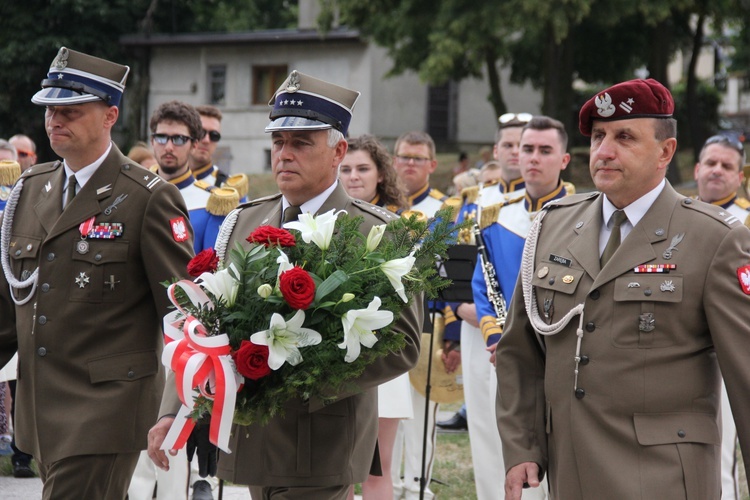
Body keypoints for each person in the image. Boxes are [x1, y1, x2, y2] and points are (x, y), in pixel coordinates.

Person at [147, 70, 423, 500]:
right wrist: (172, 411)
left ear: (338, 151)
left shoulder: (376, 231)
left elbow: (402, 343)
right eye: (278, 142)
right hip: (254, 437)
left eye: (301, 143)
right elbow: (202, 327)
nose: (284, 154)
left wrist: (298, 382)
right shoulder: (243, 221)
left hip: (323, 441)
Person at [496, 78, 750, 500]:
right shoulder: (552, 225)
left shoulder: (715, 239)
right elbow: (519, 350)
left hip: (665, 475)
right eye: (598, 137)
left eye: (624, 137)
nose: (604, 151)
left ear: (665, 152)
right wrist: (522, 446)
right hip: (571, 468)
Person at [0, 46, 195, 499]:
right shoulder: (33, 188)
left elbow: (185, 317)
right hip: (41, 410)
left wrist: (173, 408)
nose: (55, 120)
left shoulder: (148, 198)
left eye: (70, 110)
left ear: (110, 116)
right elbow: (13, 301)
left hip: (106, 411)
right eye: (50, 110)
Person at [471, 115, 573, 499]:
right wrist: (497, 335)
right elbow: (483, 283)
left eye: (545, 150)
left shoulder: (585, 213)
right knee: (494, 438)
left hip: (558, 350)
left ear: (564, 159)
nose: (532, 157)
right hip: (504, 347)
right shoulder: (494, 215)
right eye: (526, 148)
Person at [440, 112, 533, 497]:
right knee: (481, 424)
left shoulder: (559, 200)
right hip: (477, 326)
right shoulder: (474, 202)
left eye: (523, 145)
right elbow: (451, 266)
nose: (516, 152)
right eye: (508, 145)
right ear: (496, 151)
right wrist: (456, 317)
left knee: (526, 430)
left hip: (526, 331)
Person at [340, 134, 411, 499]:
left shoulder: (398, 226)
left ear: (380, 174)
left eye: (363, 168)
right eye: (346, 169)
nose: (353, 176)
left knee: (376, 464)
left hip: (384, 353)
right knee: (338, 466)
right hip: (336, 354)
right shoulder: (326, 221)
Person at [390, 130, 457, 500]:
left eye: (418, 158)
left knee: (421, 414)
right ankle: (387, 482)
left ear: (432, 164)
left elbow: (451, 276)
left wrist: (453, 333)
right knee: (387, 414)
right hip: (385, 323)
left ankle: (417, 487)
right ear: (393, 160)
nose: (410, 164)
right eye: (404, 156)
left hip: (428, 321)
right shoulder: (382, 204)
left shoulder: (446, 209)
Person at [693, 133, 748, 500]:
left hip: (730, 353)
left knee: (720, 458)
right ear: (696, 169)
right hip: (678, 352)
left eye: (726, 166)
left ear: (740, 176)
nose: (717, 171)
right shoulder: (674, 214)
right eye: (710, 163)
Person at [150, 100, 239, 256]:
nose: (169, 147)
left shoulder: (211, 203)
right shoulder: (133, 192)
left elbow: (211, 273)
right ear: (152, 141)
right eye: (161, 137)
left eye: (179, 139)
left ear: (194, 145)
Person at [189, 105, 249, 202]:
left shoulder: (230, 189)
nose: (206, 140)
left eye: (214, 135)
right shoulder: (164, 179)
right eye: (200, 132)